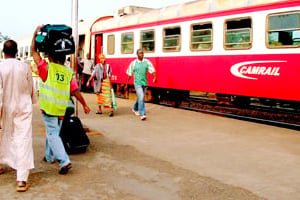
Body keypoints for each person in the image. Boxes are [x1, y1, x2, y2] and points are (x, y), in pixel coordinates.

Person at [31, 26, 91, 175]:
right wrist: (84, 104)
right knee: (54, 132)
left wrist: (35, 35)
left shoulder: (46, 68)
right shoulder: (67, 71)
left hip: (49, 107)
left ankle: (64, 161)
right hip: (61, 108)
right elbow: (75, 91)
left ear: (50, 57)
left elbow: (34, 53)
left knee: (52, 133)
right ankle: (49, 156)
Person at [0, 40, 35, 192]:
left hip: (6, 106)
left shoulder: (0, 66)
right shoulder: (24, 66)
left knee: (3, 135)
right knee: (23, 139)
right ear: (16, 52)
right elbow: (31, 87)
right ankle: (21, 180)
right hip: (23, 107)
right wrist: (32, 100)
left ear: (3, 52)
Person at [125, 49, 156, 120]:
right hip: (137, 83)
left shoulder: (146, 62)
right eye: (140, 53)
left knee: (140, 97)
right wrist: (126, 83)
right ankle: (142, 114)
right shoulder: (133, 63)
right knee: (141, 97)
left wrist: (154, 77)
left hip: (144, 83)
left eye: (142, 53)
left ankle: (135, 108)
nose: (142, 54)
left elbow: (152, 69)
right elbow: (129, 73)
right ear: (137, 54)